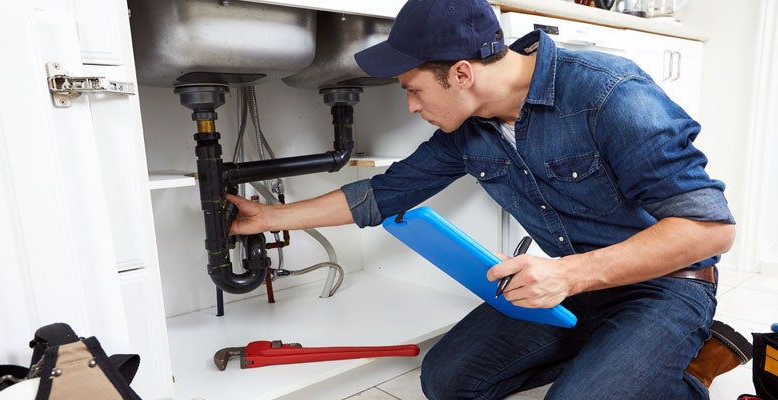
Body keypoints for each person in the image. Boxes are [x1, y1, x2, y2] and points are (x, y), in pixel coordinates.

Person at [226, 0, 752, 398]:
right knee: (446, 381)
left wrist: (569, 275)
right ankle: (613, 364)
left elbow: (710, 229)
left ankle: (689, 367)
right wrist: (270, 217)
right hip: (570, 288)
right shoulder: (468, 127)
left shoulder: (609, 93)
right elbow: (383, 194)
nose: (411, 106)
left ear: (461, 73)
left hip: (661, 287)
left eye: (413, 89)